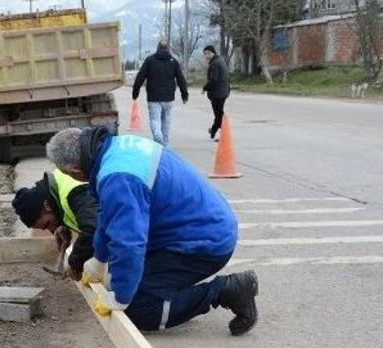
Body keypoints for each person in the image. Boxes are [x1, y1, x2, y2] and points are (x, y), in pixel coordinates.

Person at [45, 126, 259, 335]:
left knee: (137, 308)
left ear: (76, 170)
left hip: (203, 244)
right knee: (125, 277)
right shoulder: (114, 149)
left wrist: (121, 297)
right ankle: (168, 291)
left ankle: (224, 291)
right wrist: (99, 260)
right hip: (200, 226)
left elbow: (128, 243)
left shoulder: (118, 178)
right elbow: (108, 216)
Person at [12, 169, 98, 280]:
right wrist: (63, 224)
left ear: (47, 205)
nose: (52, 229)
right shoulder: (56, 187)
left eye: (47, 224)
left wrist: (74, 262)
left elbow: (94, 229)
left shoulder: (75, 191)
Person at [131, 40, 189, 147]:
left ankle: (158, 138)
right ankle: (165, 143)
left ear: (157, 48)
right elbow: (181, 79)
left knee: (155, 120)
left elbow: (140, 77)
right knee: (166, 121)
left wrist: (135, 92)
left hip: (153, 97)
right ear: (168, 49)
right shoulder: (174, 62)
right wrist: (184, 95)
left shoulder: (150, 60)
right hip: (168, 98)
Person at [202, 45, 230, 140]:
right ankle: (215, 131)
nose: (206, 56)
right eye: (204, 54)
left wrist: (205, 88)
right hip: (223, 91)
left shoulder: (214, 64)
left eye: (207, 53)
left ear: (212, 53)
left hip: (218, 93)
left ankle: (220, 134)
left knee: (218, 114)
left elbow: (213, 80)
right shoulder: (220, 61)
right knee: (219, 114)